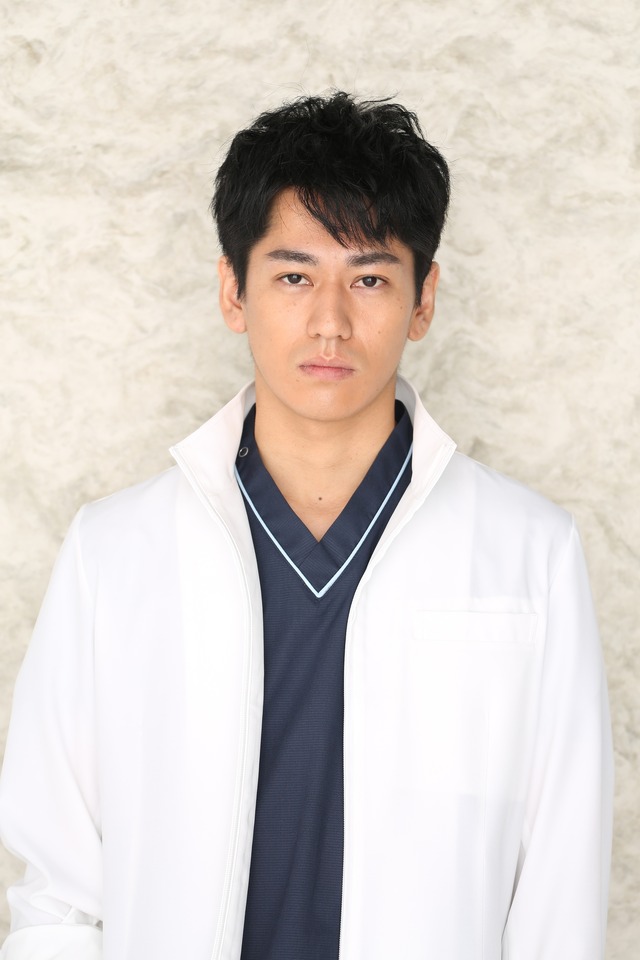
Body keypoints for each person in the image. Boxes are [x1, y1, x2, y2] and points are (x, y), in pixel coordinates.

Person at [0, 92, 613, 960]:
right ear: (233, 290)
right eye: (294, 277)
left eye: (369, 279)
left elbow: (559, 892)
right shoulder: (113, 553)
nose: (331, 321)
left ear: (424, 299)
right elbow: (58, 894)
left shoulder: (529, 554)